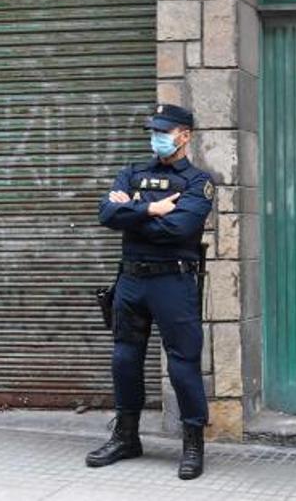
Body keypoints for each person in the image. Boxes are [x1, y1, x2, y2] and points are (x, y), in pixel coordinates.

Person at [88, 104, 213, 480]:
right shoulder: (132, 172)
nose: (156, 136)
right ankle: (126, 437)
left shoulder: (197, 181)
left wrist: (134, 213)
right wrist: (152, 210)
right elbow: (105, 215)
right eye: (154, 130)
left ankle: (193, 444)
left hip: (173, 282)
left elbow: (178, 229)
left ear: (184, 135)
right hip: (131, 281)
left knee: (183, 364)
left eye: (164, 130)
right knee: (124, 360)